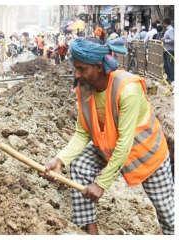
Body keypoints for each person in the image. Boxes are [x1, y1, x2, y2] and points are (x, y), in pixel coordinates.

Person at [39, 36, 174, 235]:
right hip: (110, 148)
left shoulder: (127, 89)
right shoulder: (84, 89)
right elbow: (82, 133)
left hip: (147, 156)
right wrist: (60, 160)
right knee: (80, 165)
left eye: (82, 69)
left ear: (99, 67)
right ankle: (92, 233)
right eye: (75, 67)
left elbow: (125, 143)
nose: (76, 74)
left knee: (169, 216)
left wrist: (101, 184)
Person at [160, 17, 174, 84]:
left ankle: (172, 79)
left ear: (165, 23)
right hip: (166, 50)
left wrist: (165, 40)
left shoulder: (170, 30)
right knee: (166, 65)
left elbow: (173, 40)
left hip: (169, 50)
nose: (162, 25)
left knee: (170, 65)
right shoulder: (167, 30)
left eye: (163, 24)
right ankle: (169, 78)